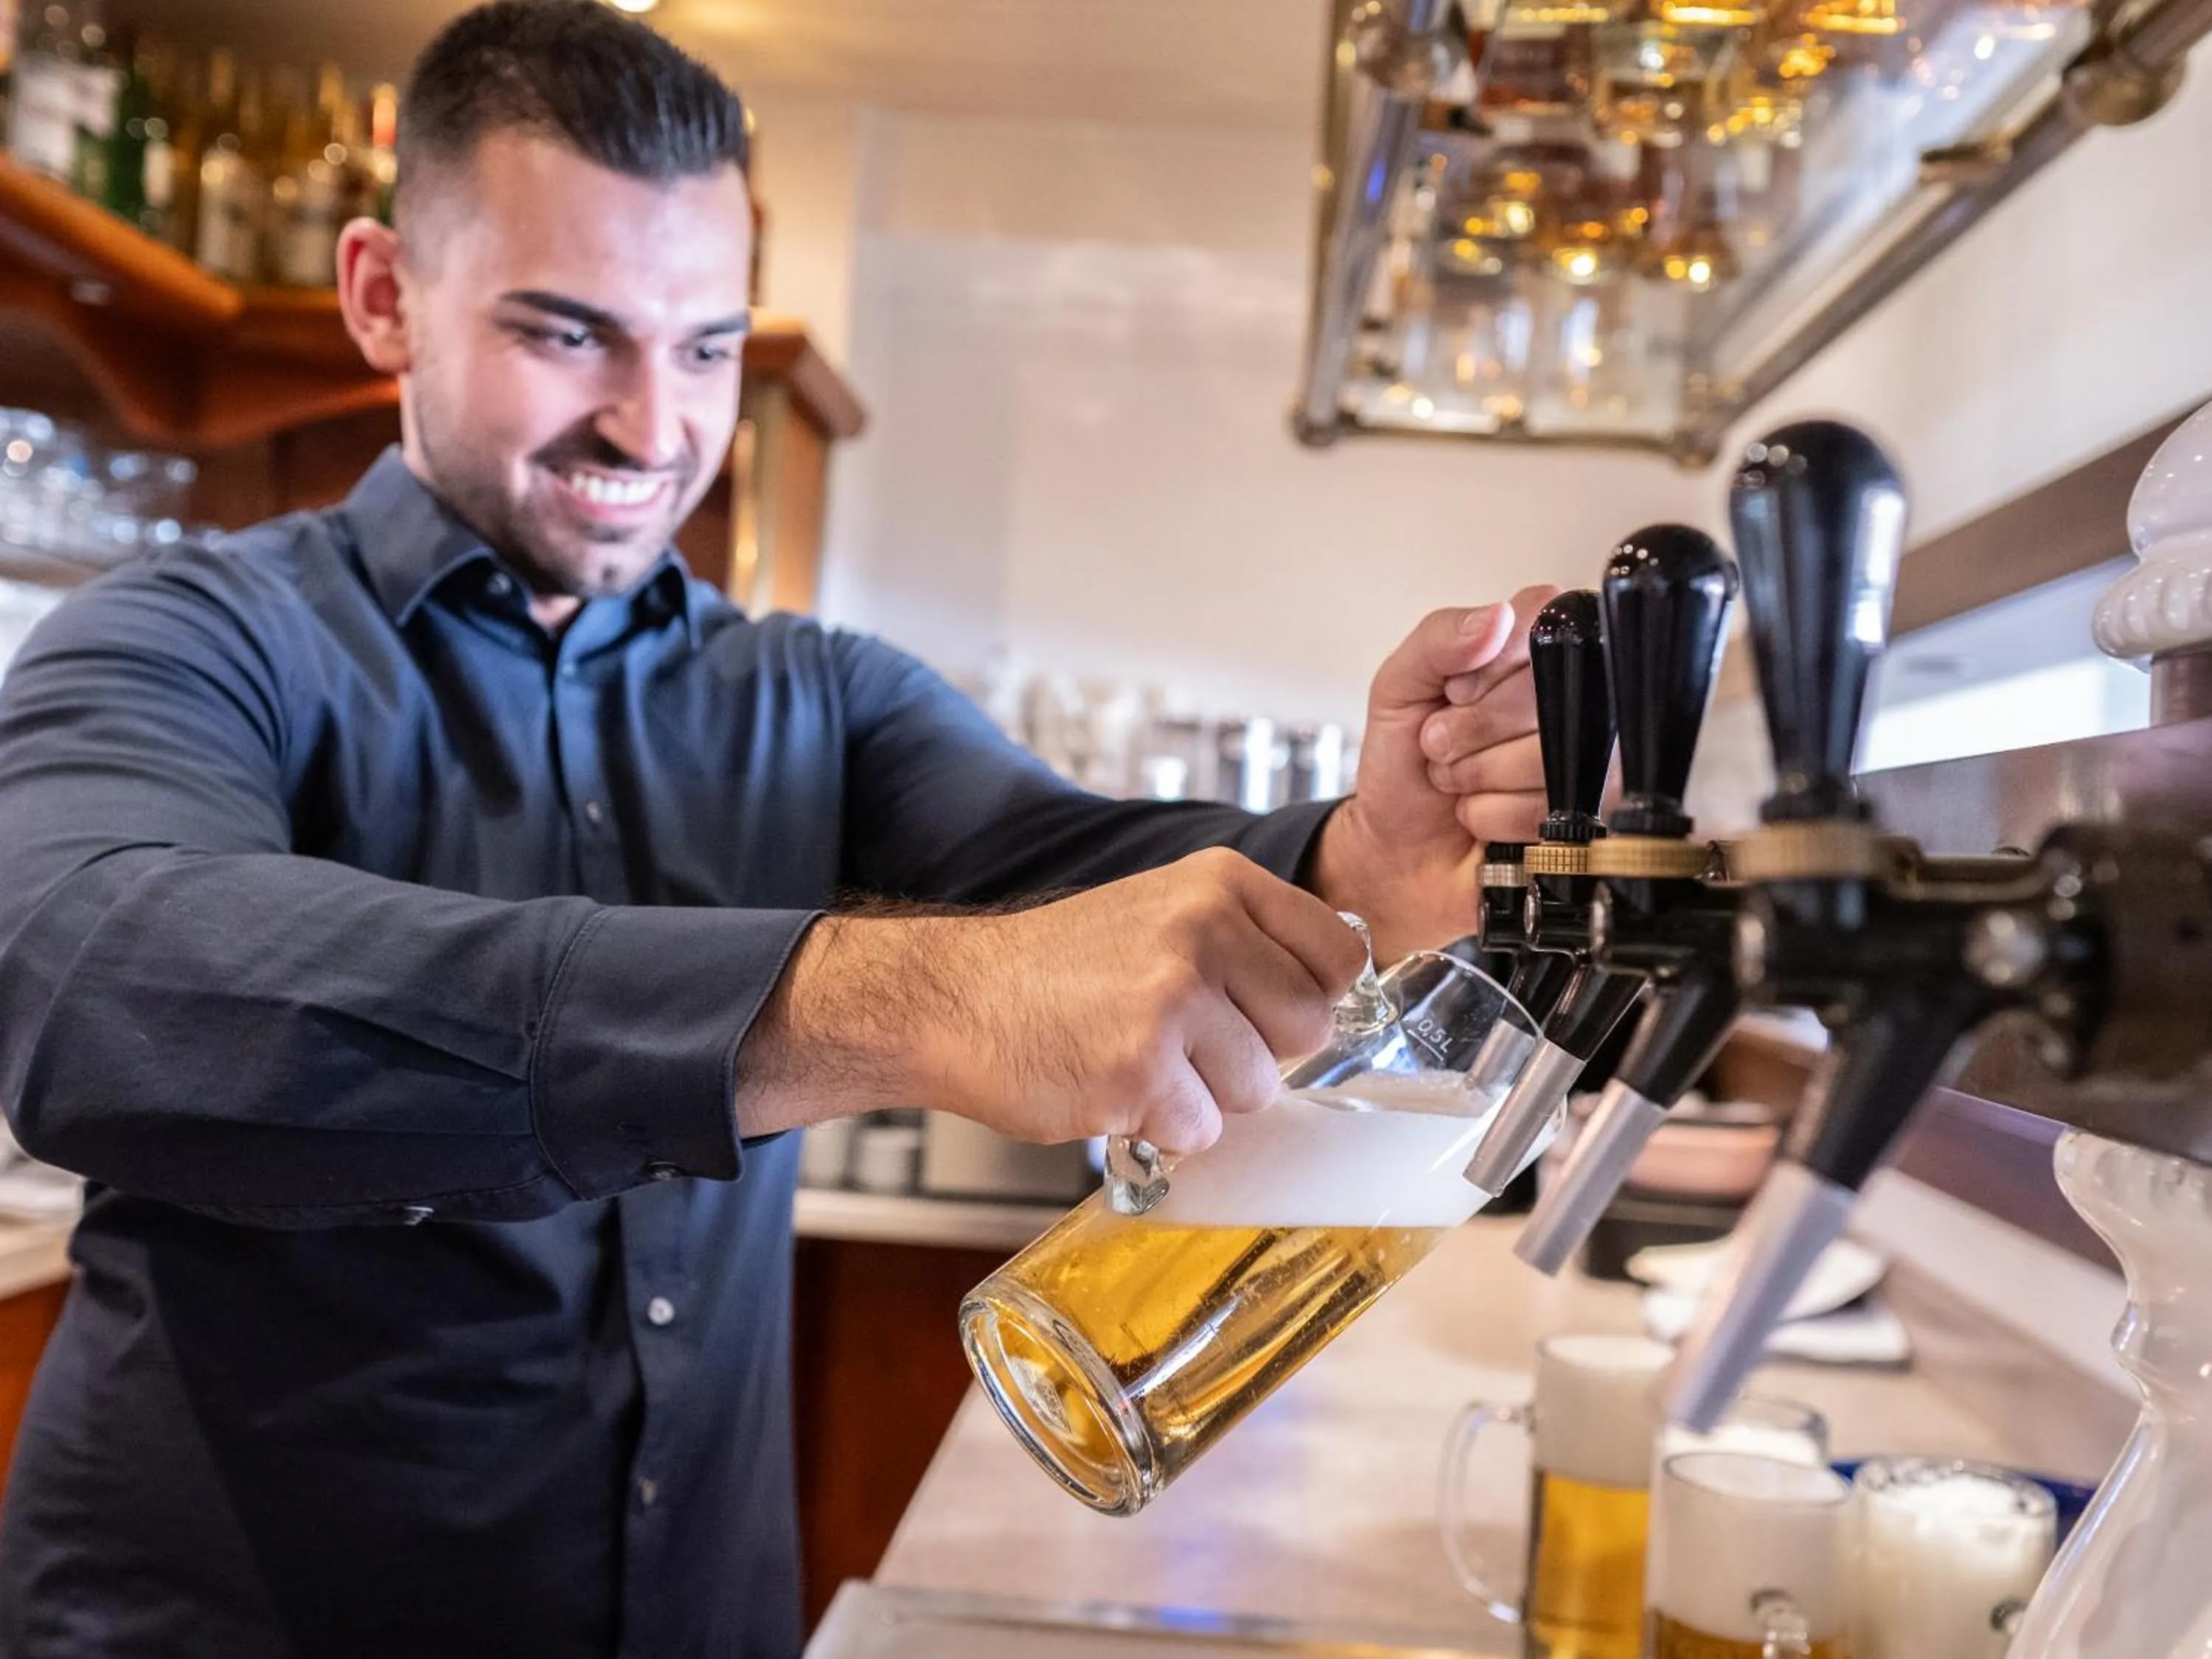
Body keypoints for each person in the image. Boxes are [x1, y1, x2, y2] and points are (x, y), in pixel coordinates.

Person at [0, 4, 1552, 1655]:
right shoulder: (189, 636)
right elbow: (92, 983)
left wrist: (1364, 868)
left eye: (705, 347)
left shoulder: (820, 696)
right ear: (385, 298)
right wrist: (911, 1002)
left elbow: (1079, 869)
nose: (654, 426)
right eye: (566, 333)